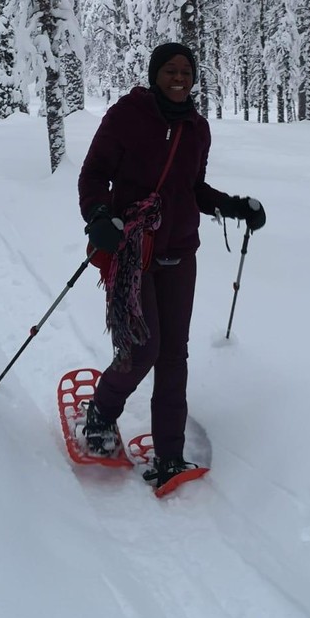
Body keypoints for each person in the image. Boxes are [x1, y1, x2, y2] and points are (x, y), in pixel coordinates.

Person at [78, 42, 266, 487]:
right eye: (170, 70)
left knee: (173, 354)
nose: (179, 77)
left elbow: (192, 188)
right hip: (131, 250)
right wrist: (99, 216)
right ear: (154, 74)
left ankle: (169, 453)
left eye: (186, 70)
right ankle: (102, 412)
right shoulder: (128, 115)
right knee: (142, 348)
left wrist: (235, 206)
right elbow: (93, 174)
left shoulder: (197, 129)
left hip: (180, 252)